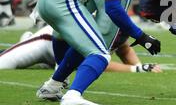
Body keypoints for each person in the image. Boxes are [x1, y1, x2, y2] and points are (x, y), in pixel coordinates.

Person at [0, 26, 162, 74]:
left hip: (64, 59)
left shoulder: (118, 23)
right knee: (3, 64)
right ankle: (27, 41)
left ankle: (25, 41)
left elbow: (124, 49)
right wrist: (136, 69)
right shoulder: (100, 20)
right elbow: (96, 62)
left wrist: (141, 66)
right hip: (47, 43)